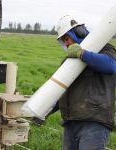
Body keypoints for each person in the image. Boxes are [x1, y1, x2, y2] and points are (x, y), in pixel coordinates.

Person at [33, 15, 116, 150]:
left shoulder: (105, 49)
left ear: (79, 32)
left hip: (94, 123)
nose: (66, 44)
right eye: (63, 41)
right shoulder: (69, 62)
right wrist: (43, 111)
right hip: (71, 123)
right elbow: (60, 90)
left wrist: (81, 53)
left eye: (66, 38)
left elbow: (111, 66)